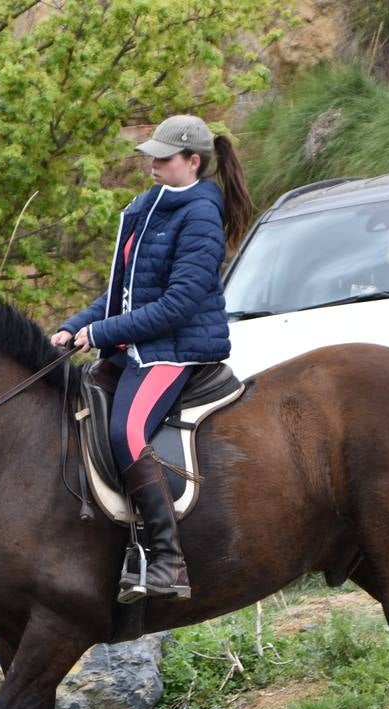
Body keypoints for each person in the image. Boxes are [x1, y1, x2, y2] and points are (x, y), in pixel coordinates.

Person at [50, 114, 253, 602]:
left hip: (176, 351)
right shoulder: (146, 207)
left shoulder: (201, 214)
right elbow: (120, 295)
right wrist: (75, 324)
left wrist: (101, 332)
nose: (153, 165)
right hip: (137, 346)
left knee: (126, 431)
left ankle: (167, 560)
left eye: (163, 159)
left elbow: (177, 305)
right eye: (153, 157)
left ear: (193, 161)